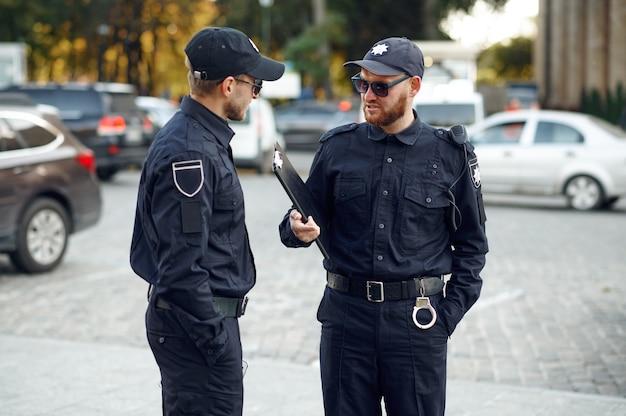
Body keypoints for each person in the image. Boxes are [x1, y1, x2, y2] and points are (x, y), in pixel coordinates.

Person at [279, 37, 488, 416]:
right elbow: (298, 221)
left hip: (416, 324)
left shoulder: (450, 155)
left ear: (413, 87)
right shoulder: (337, 147)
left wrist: (444, 319)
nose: (368, 95)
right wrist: (296, 228)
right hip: (346, 321)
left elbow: (472, 248)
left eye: (380, 86)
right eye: (362, 83)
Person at [130, 27, 284, 415]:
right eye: (255, 84)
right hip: (197, 329)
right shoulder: (190, 151)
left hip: (197, 324)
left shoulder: (203, 138)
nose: (256, 93)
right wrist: (217, 342)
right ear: (229, 85)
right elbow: (182, 267)